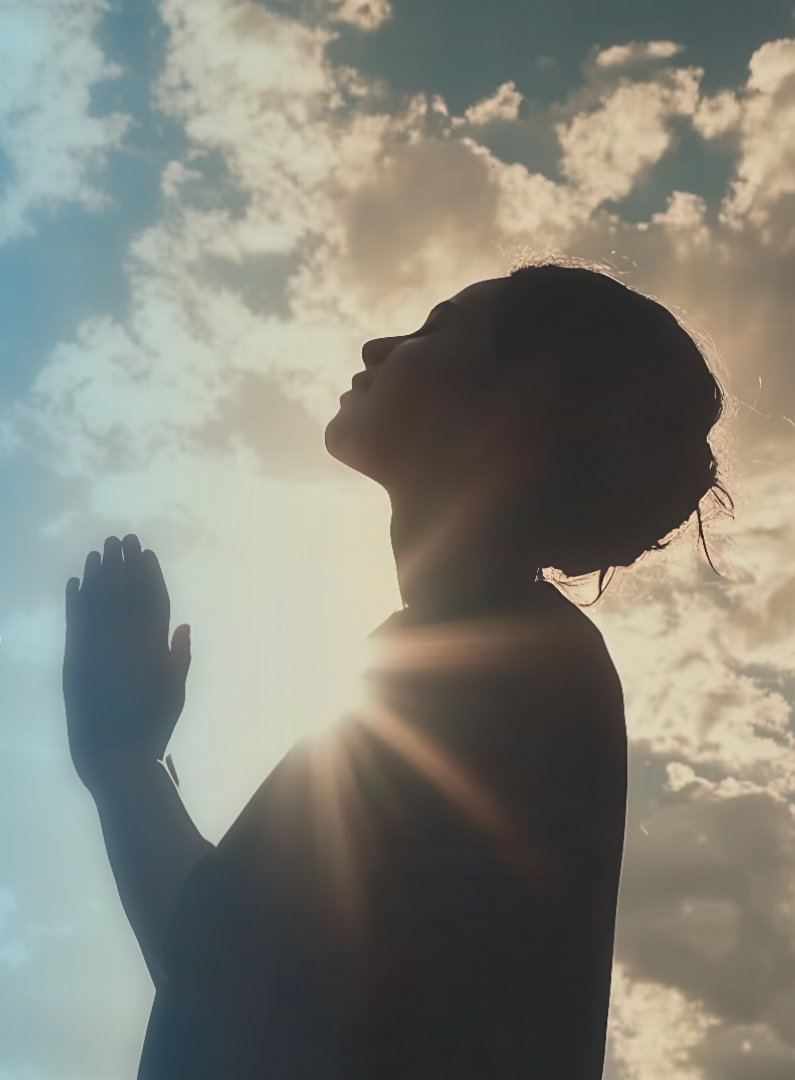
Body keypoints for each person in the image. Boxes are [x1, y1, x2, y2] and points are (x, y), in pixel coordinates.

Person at [63, 263, 727, 1078]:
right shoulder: (507, 654)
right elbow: (252, 949)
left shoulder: (498, 662)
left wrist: (123, 761)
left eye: (437, 328)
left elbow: (223, 963)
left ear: (521, 407)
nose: (381, 343)